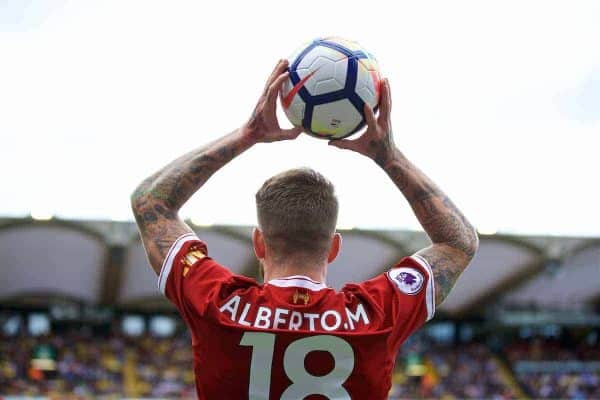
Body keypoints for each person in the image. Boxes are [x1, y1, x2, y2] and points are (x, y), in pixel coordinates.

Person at [131, 59, 479, 400]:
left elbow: (151, 201)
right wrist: (389, 157)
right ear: (334, 247)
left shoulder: (216, 303)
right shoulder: (376, 315)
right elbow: (458, 243)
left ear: (259, 243)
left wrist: (246, 135)